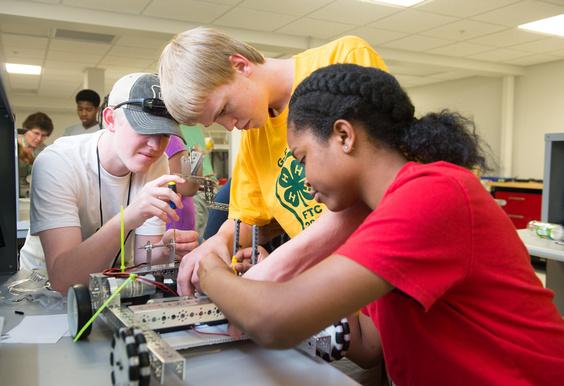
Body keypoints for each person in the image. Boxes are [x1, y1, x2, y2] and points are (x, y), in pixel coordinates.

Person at [197, 64, 564, 385]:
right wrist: (302, 292)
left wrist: (212, 269)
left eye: (303, 158)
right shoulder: (380, 210)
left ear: (344, 135)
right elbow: (372, 345)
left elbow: (274, 321)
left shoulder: (434, 194)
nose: (305, 180)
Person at [159, 27, 387, 295]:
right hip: (331, 296)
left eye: (223, 110)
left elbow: (368, 198)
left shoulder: (344, 60)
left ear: (240, 65)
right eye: (217, 122)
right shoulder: (253, 137)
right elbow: (248, 218)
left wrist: (279, 265)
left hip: (382, 282)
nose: (229, 127)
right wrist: (218, 242)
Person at [19, 73, 199, 294]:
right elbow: (64, 281)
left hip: (107, 287)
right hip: (41, 295)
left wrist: (166, 250)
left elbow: (143, 257)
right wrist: (130, 216)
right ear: (110, 119)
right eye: (144, 129)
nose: (154, 145)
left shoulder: (156, 162)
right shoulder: (57, 161)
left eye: (164, 133)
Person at [165, 134, 198, 231]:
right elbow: (187, 187)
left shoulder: (172, 139)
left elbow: (185, 186)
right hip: (172, 222)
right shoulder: (172, 139)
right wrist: (197, 156)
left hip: (174, 221)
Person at [17, 112, 54, 197]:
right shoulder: (12, 143)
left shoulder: (46, 151)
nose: (39, 138)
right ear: (26, 129)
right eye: (36, 133)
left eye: (44, 135)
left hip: (31, 196)